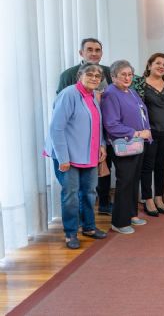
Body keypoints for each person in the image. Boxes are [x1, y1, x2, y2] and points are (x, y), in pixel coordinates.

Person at [45, 64, 108, 248]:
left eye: (98, 75)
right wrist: (63, 158)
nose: (95, 78)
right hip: (68, 156)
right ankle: (71, 233)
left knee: (89, 192)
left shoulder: (93, 97)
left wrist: (102, 145)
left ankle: (89, 227)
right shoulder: (68, 94)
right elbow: (56, 128)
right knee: (71, 195)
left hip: (88, 154)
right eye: (90, 74)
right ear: (80, 75)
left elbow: (97, 124)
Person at [57, 37, 112, 215]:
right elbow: (61, 105)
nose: (94, 53)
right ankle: (81, 216)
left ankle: (104, 203)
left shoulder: (109, 72)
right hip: (78, 134)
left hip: (104, 129)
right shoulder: (69, 74)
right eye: (90, 50)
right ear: (81, 53)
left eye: (97, 50)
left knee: (104, 166)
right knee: (78, 178)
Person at [101, 60, 151, 234]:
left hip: (138, 144)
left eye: (130, 74)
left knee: (133, 180)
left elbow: (141, 112)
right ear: (113, 77)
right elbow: (111, 124)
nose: (128, 77)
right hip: (125, 144)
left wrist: (147, 132)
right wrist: (137, 133)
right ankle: (119, 222)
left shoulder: (131, 91)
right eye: (123, 74)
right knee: (125, 182)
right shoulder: (111, 93)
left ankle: (131, 214)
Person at [132, 53, 164, 217]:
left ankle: (159, 196)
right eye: (158, 63)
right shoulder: (139, 85)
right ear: (149, 65)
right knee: (147, 166)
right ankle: (147, 198)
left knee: (160, 166)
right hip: (149, 134)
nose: (161, 67)